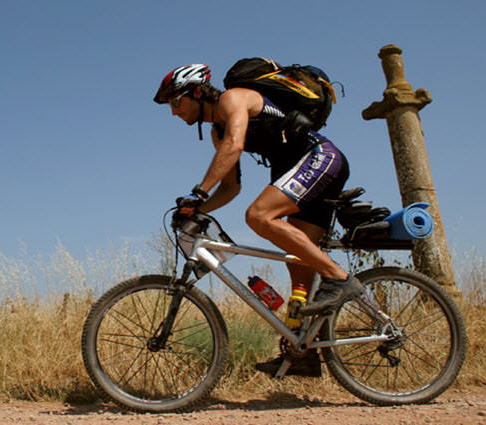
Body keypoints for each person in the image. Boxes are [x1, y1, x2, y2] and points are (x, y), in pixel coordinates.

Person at [154, 63, 364, 377]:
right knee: (300, 268)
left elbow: (235, 145)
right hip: (299, 171)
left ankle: (340, 280)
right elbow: (231, 187)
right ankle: (303, 351)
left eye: (175, 101)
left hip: (319, 158)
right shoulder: (217, 131)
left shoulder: (233, 99)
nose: (173, 112)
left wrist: (199, 192)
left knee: (258, 216)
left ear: (197, 91)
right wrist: (200, 209)